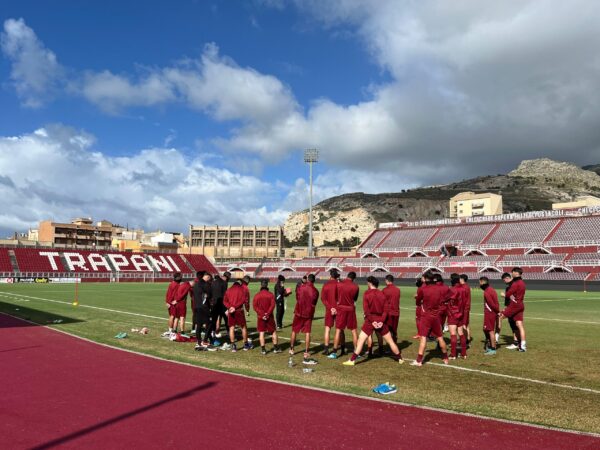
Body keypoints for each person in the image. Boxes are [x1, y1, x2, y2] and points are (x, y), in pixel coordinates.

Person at [343, 276, 403, 366]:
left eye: (368, 282)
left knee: (361, 340)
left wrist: (373, 321)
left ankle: (352, 360)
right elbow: (386, 309)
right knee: (390, 341)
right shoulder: (382, 293)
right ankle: (400, 358)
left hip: (370, 321)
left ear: (370, 283)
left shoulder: (367, 294)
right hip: (380, 321)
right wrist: (381, 321)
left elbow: (366, 311)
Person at [411, 272, 449, 366]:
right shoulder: (439, 289)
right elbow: (445, 298)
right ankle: (445, 358)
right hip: (436, 316)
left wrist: (418, 298)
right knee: (440, 337)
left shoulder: (422, 289)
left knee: (423, 337)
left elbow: (418, 302)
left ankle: (419, 361)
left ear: (426, 279)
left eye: (423, 278)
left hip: (426, 316)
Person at [289, 273, 319, 365]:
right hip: (308, 313)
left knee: (294, 330)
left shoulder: (301, 287)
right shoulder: (315, 291)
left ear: (308, 279)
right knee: (307, 332)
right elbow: (314, 303)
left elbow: (297, 298)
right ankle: (306, 352)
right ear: (314, 281)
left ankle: (291, 349)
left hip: (299, 311)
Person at [329, 272, 359, 359]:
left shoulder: (339, 284)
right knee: (353, 330)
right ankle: (356, 351)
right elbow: (355, 299)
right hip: (350, 309)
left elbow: (336, 297)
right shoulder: (356, 286)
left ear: (347, 276)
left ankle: (334, 352)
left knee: (338, 330)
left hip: (341, 309)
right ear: (354, 278)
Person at [499, 267, 527, 352]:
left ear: (515, 273)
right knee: (519, 325)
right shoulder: (523, 283)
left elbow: (508, 294)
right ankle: (522, 346)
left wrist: (504, 295)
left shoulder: (516, 283)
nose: (512, 274)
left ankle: (495, 340)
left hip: (514, 305)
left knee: (499, 317)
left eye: (512, 272)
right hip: (520, 305)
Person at [252, 279, 281, 355]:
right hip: (269, 317)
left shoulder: (257, 295)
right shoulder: (271, 295)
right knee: (273, 332)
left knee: (261, 333)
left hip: (260, 317)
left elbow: (255, 307)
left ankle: (263, 350)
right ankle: (275, 348)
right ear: (267, 285)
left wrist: (262, 314)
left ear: (261, 285)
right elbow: (272, 305)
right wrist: (267, 314)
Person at [224, 280, 253, 352]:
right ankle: (246, 345)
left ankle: (233, 346)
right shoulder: (243, 289)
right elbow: (245, 300)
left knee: (231, 327)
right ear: (240, 284)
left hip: (231, 311)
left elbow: (224, 301)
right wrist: (247, 309)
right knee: (243, 327)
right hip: (239, 310)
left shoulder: (228, 290)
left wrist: (230, 307)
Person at [447, 273, 467, 360]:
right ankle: (464, 353)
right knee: (461, 333)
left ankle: (453, 354)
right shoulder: (463, 289)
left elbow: (449, 301)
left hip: (453, 314)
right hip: (461, 313)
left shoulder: (452, 289)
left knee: (453, 334)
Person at [193, 272, 214, 349]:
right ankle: (205, 340)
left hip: (197, 307)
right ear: (207, 277)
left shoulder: (196, 284)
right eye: (209, 278)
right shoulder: (206, 285)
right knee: (209, 323)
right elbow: (210, 296)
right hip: (204, 307)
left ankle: (199, 341)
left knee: (199, 325)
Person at [321, 268, 340, 355]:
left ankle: (326, 348)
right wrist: (335, 308)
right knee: (339, 329)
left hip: (329, 310)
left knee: (327, 329)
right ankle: (336, 349)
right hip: (338, 309)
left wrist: (330, 308)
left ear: (330, 276)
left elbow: (323, 299)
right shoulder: (339, 284)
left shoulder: (326, 285)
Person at [480, 276, 499, 355]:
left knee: (490, 331)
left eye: (480, 282)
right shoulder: (492, 289)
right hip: (491, 313)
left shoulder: (487, 291)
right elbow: (496, 302)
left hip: (490, 313)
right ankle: (490, 344)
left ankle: (493, 348)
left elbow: (491, 303)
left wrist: (497, 311)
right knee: (486, 329)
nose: (479, 284)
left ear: (482, 282)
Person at [498, 272, 518, 348]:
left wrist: (505, 295)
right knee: (513, 324)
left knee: (500, 317)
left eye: (504, 280)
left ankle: (496, 338)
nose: (504, 281)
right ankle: (516, 342)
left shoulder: (513, 286)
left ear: (507, 278)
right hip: (510, 307)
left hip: (512, 307)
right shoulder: (509, 286)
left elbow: (514, 298)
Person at [210, 271, 230, 341]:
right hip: (222, 303)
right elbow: (225, 295)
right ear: (228, 277)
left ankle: (214, 333)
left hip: (214, 303)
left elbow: (211, 293)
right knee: (226, 319)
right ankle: (228, 333)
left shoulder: (213, 282)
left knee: (215, 319)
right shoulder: (225, 283)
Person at [382, 274, 400, 345]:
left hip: (388, 313)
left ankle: (390, 346)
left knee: (387, 331)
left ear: (387, 281)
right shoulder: (398, 290)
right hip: (396, 312)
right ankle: (394, 345)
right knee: (394, 330)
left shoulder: (384, 290)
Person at [162, 272, 182, 337]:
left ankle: (171, 330)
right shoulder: (177, 285)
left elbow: (168, 293)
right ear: (177, 277)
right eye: (180, 277)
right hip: (173, 303)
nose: (181, 278)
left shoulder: (171, 283)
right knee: (174, 316)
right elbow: (175, 295)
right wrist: (175, 301)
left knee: (172, 316)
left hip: (169, 302)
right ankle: (171, 331)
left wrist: (167, 302)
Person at [459, 274, 472, 345]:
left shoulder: (463, 287)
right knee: (466, 324)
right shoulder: (467, 286)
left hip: (464, 308)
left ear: (461, 279)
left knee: (463, 324)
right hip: (467, 308)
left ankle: (465, 341)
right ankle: (468, 339)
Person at [413, 274, 426, 339]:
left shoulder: (421, 288)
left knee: (418, 320)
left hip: (420, 306)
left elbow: (420, 298)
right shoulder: (425, 286)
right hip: (425, 306)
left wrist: (416, 297)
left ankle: (420, 334)